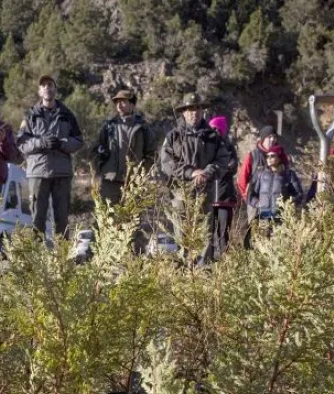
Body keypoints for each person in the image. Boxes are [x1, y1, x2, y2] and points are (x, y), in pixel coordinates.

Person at [159, 93, 231, 263]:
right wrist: (191, 173)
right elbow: (166, 163)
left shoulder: (213, 136)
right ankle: (185, 269)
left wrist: (206, 172)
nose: (194, 112)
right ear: (184, 111)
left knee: (205, 231)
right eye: (190, 109)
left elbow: (223, 160)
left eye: (198, 108)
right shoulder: (173, 136)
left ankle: (203, 270)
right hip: (181, 193)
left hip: (206, 191)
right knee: (182, 232)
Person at [17, 75, 84, 237]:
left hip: (62, 173)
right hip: (38, 174)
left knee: (62, 219)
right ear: (40, 91)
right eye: (43, 85)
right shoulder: (30, 115)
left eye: (50, 84)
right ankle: (37, 258)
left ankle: (62, 259)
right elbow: (22, 144)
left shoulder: (67, 114)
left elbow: (78, 141)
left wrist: (62, 144)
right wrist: (41, 143)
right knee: (37, 218)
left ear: (55, 89)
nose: (47, 87)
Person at [93, 89, 156, 205]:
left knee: (131, 220)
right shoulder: (109, 126)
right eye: (117, 102)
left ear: (132, 105)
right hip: (110, 180)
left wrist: (141, 173)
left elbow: (151, 153)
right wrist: (100, 166)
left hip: (133, 182)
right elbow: (96, 149)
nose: (119, 105)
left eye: (123, 102)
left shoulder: (142, 128)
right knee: (108, 219)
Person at [247, 145, 304, 231]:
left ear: (280, 158)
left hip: (280, 218)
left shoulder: (289, 174)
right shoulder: (261, 174)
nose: (269, 158)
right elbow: (251, 194)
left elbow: (299, 194)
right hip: (263, 216)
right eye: (267, 156)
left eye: (272, 156)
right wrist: (257, 203)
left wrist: (288, 204)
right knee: (262, 242)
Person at [207, 115, 238, 258]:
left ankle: (224, 264)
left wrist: (217, 167)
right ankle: (207, 261)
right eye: (211, 128)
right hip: (208, 195)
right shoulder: (206, 145)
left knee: (223, 232)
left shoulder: (229, 147)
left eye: (216, 128)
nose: (213, 131)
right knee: (207, 232)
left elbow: (233, 166)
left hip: (225, 196)